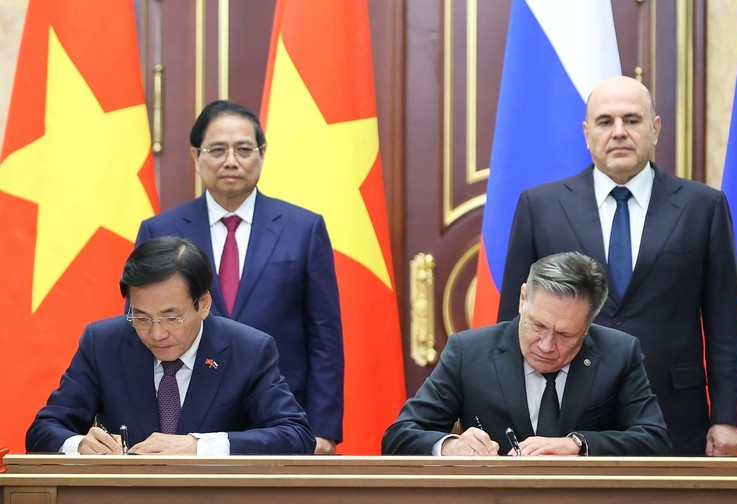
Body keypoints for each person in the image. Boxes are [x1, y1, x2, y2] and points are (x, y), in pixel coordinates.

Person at [497, 76, 737, 456]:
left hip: (673, 411)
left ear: (655, 129)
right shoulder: (541, 206)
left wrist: (730, 415)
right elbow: (513, 321)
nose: (618, 132)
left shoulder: (703, 207)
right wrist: (504, 411)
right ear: (586, 133)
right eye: (605, 121)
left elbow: (724, 320)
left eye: (631, 120)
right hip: (563, 406)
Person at [135, 100, 344, 454]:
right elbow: (141, 325)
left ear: (261, 153)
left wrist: (323, 429)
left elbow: (324, 334)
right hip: (185, 414)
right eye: (217, 149)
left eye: (244, 149)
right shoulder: (161, 230)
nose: (231, 160)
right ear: (195, 156)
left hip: (279, 414)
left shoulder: (304, 229)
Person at [26, 237, 315, 455]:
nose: (156, 333)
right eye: (141, 317)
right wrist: (79, 445)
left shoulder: (249, 350)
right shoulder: (103, 343)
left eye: (171, 317)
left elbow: (296, 435)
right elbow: (42, 431)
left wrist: (199, 446)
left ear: (203, 304)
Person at [383, 252, 671, 456]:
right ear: (522, 298)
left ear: (589, 324)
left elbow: (655, 440)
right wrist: (449, 446)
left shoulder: (619, 353)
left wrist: (579, 444)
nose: (546, 345)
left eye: (565, 335)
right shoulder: (468, 352)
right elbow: (399, 436)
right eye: (538, 325)